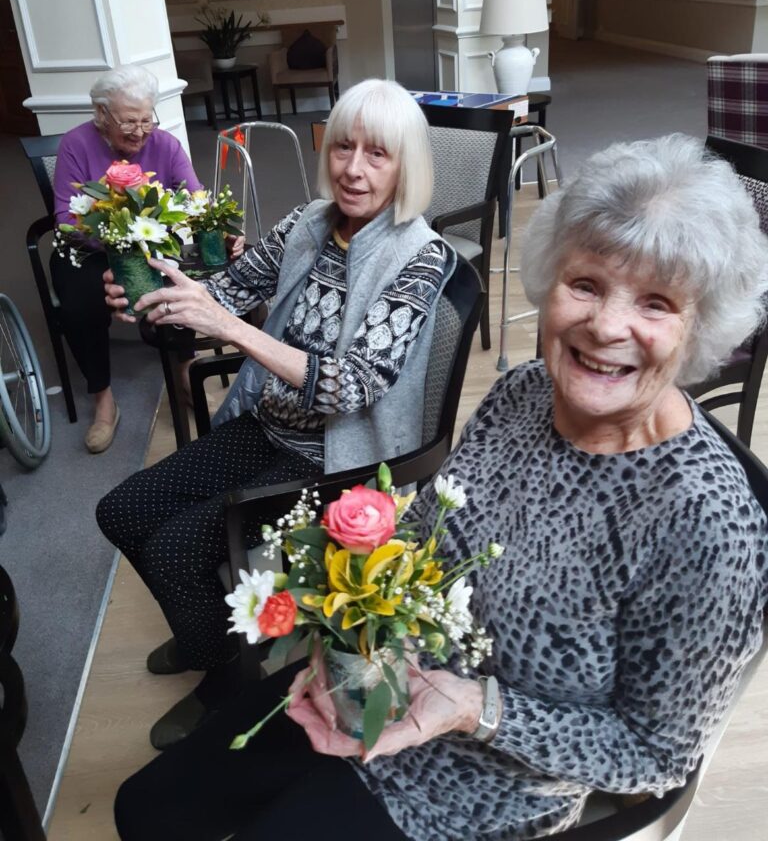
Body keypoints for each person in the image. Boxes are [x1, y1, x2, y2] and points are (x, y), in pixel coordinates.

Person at [114, 134, 768, 841]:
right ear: (552, 282)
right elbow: (429, 531)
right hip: (377, 680)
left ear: (701, 326)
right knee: (145, 810)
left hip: (482, 786)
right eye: (586, 284)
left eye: (656, 303)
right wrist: (346, 630)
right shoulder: (523, 392)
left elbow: (657, 756)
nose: (607, 325)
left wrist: (469, 707)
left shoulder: (707, 525)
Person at [96, 78, 454, 750]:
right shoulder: (309, 224)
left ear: (408, 163)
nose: (353, 168)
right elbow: (228, 288)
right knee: (120, 513)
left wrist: (233, 331)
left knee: (176, 549)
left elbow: (352, 387)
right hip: (269, 425)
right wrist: (158, 291)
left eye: (378, 154)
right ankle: (209, 640)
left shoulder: (421, 257)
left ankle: (229, 684)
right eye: (344, 146)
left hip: (335, 457)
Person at [52, 64, 207, 454]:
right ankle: (103, 396)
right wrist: (116, 244)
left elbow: (195, 197)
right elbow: (65, 218)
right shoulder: (75, 144)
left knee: (174, 280)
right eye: (128, 121)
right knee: (78, 301)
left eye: (146, 120)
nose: (140, 131)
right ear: (102, 115)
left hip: (148, 246)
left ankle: (184, 365)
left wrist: (217, 227)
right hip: (91, 250)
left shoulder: (166, 145)